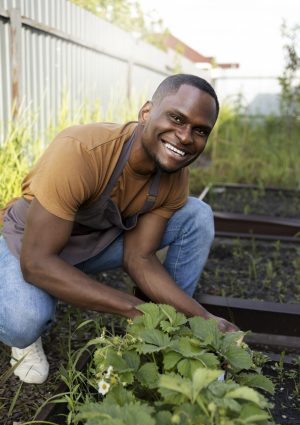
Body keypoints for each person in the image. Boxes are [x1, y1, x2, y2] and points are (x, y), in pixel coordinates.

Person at [0, 73, 238, 384]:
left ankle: (161, 334)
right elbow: (37, 263)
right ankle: (26, 337)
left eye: (200, 130)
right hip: (32, 243)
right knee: (23, 320)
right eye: (177, 118)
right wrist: (133, 308)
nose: (184, 137)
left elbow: (139, 257)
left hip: (96, 240)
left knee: (196, 215)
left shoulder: (174, 175)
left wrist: (203, 319)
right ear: (146, 112)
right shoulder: (83, 150)